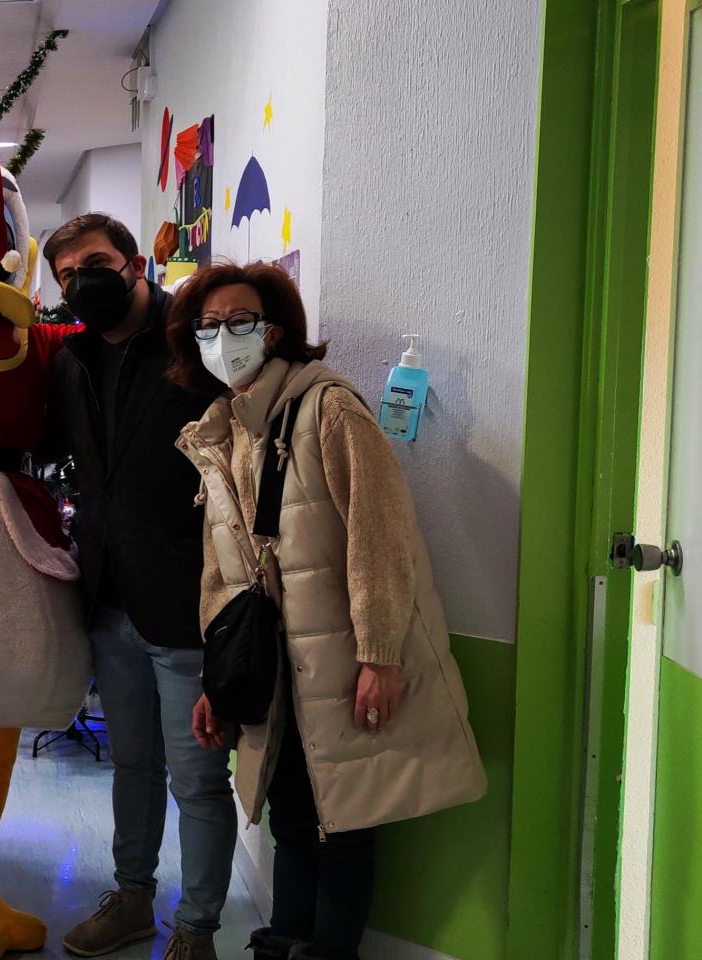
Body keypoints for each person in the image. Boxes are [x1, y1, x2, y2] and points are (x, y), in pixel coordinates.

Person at [170, 263, 487, 960]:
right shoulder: (220, 433)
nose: (224, 337)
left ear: (274, 331)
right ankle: (283, 945)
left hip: (340, 667)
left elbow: (381, 538)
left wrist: (380, 655)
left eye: (240, 321)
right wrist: (218, 682)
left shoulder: (329, 410)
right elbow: (221, 576)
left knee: (342, 830)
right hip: (272, 673)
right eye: (209, 326)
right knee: (288, 823)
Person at [43, 214, 232, 960]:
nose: (80, 282)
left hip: (190, 602)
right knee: (132, 765)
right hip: (109, 599)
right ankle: (131, 899)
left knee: (198, 779)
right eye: (66, 275)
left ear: (134, 264)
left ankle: (197, 929)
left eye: (94, 263)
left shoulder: (194, 343)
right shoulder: (74, 359)